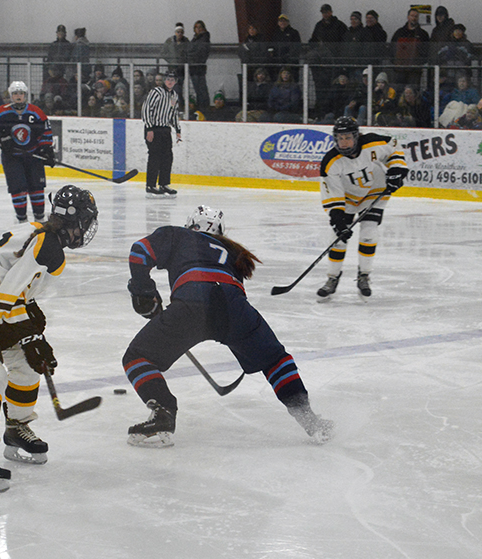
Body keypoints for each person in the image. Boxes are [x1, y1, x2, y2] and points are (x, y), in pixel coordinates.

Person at [122, 205, 334, 448]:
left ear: (190, 224)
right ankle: (310, 420)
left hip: (193, 304)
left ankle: (164, 412)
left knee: (136, 357)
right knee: (275, 359)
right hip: (235, 308)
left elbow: (139, 252)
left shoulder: (178, 234)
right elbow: (221, 294)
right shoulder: (232, 250)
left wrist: (144, 292)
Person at [0, 185, 99, 492]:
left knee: (27, 362)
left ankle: (16, 427)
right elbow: (5, 299)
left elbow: (15, 291)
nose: (88, 229)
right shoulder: (47, 247)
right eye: (87, 222)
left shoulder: (45, 238)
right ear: (78, 224)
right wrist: (31, 335)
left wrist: (33, 335)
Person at [317, 117, 408, 301]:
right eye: (340, 138)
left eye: (348, 137)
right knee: (338, 239)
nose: (344, 143)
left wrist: (397, 169)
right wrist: (338, 221)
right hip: (348, 200)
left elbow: (394, 147)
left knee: (369, 233)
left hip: (375, 192)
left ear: (357, 136)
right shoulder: (330, 162)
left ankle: (364, 275)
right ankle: (332, 278)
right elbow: (333, 196)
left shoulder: (372, 143)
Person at [0, 81, 54, 223]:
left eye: (21, 93)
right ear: (10, 95)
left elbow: (46, 132)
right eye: (15, 93)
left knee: (37, 187)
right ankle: (21, 220)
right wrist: (2, 140)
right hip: (12, 158)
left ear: (25, 95)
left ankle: (40, 219)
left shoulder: (36, 112)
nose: (18, 96)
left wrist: (46, 150)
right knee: (18, 188)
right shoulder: (0, 113)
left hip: (33, 156)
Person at [142, 71, 181, 199]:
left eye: (173, 80)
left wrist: (177, 130)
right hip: (154, 128)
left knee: (167, 157)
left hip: (165, 129)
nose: (170, 82)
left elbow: (174, 114)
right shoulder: (156, 92)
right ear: (164, 80)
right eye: (168, 79)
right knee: (155, 156)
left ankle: (164, 184)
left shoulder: (174, 95)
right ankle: (151, 185)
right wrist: (149, 128)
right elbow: (147, 108)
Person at [390, 9, 430, 85]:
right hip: (400, 69)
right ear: (408, 17)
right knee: (399, 90)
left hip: (415, 70)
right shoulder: (399, 32)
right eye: (412, 16)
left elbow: (427, 50)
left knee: (414, 90)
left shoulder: (423, 34)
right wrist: (394, 62)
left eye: (416, 16)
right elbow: (392, 48)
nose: (414, 18)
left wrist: (419, 63)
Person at [188, 20, 211, 111]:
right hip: (194, 67)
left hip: (198, 66)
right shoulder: (195, 38)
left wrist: (191, 55)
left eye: (200, 27)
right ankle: (201, 106)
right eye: (196, 27)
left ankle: (204, 107)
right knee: (198, 88)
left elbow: (200, 51)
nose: (198, 29)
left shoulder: (204, 38)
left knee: (201, 88)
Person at [269, 14, 301, 79]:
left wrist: (289, 56)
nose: (282, 23)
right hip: (278, 62)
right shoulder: (276, 33)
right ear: (278, 23)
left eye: (284, 21)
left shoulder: (294, 33)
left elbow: (297, 47)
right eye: (280, 21)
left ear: (288, 22)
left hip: (290, 62)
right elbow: (272, 46)